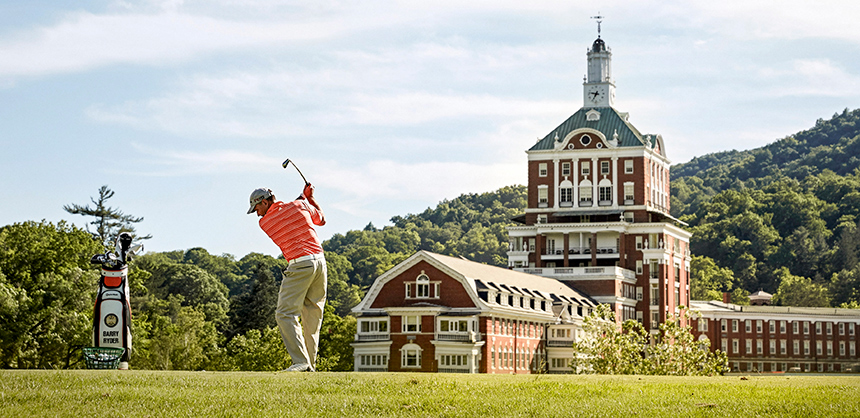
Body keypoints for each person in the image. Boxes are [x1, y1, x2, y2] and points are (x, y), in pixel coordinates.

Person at [247, 183, 327, 372]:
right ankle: (310, 365)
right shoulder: (300, 206)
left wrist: (302, 196)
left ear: (265, 202)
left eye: (257, 208)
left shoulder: (266, 223)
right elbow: (321, 219)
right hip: (320, 264)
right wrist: (309, 197)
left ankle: (300, 362)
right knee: (312, 316)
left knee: (285, 313)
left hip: (300, 265)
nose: (257, 214)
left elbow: (289, 208)